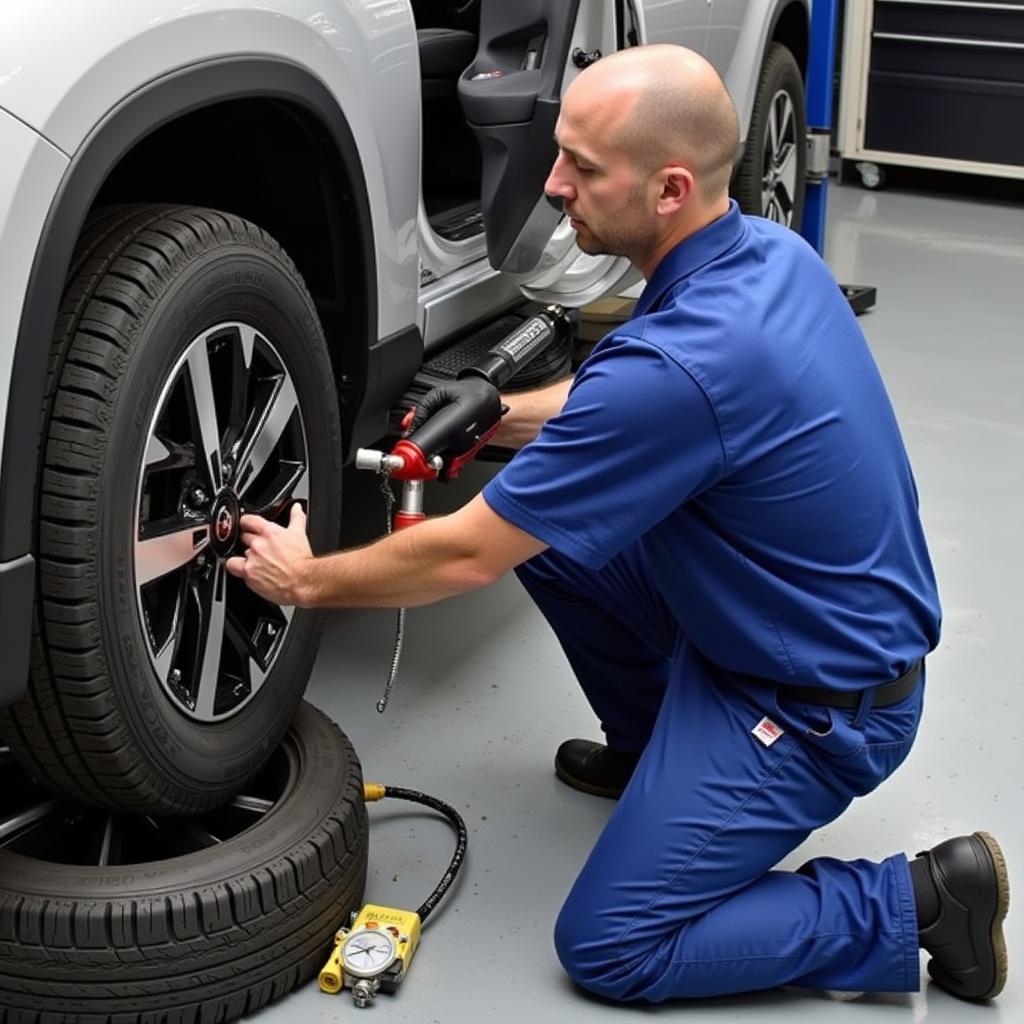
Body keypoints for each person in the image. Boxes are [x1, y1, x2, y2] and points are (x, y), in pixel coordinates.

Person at [226, 45, 1009, 1004]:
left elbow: (472, 553)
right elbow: (624, 397)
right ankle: (656, 755)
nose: (554, 187)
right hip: (792, 629)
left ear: (670, 187)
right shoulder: (769, 253)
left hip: (818, 712)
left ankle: (916, 902)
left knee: (611, 946)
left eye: (584, 168)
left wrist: (309, 578)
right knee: (559, 548)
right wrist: (492, 413)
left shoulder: (680, 369)